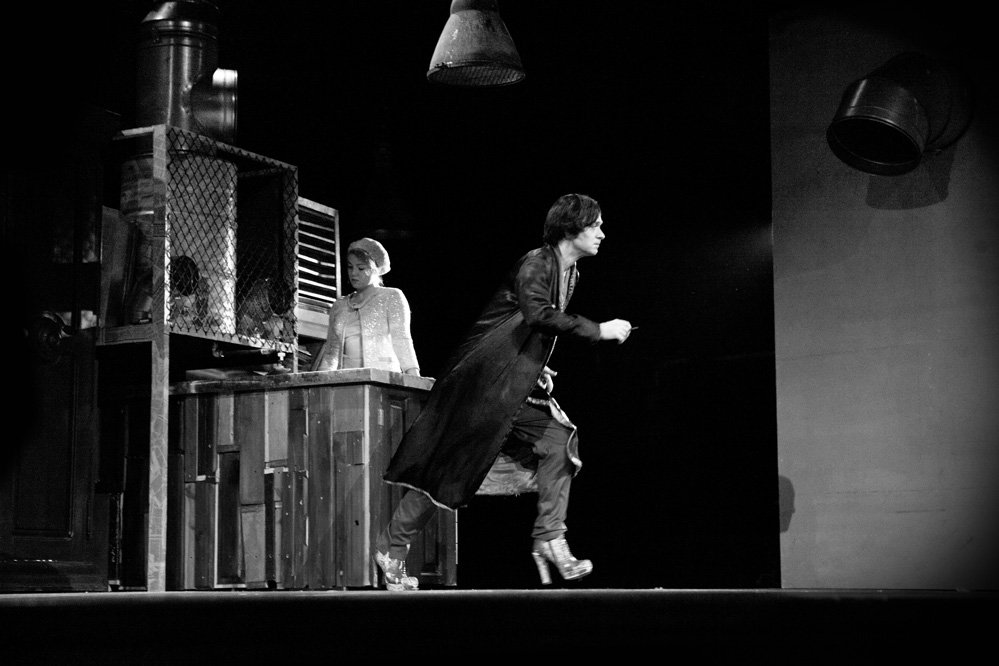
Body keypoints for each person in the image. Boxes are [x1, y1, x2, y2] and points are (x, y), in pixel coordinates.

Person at [373, 193, 633, 591]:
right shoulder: (537, 263)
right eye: (595, 225)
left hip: (510, 383)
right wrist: (598, 329)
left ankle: (550, 538)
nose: (602, 233)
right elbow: (538, 314)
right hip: (482, 383)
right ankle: (391, 550)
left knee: (559, 441)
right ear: (571, 227)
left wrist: (536, 367)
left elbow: (526, 327)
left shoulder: (570, 273)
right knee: (445, 470)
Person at [312, 237, 420, 375]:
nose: (353, 273)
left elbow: (401, 339)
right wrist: (322, 379)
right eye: (350, 267)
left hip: (382, 377)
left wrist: (414, 376)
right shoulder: (339, 305)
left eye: (361, 268)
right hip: (348, 380)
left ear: (376, 269)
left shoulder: (391, 297)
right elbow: (331, 352)